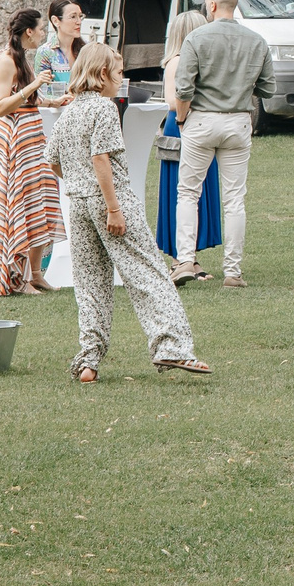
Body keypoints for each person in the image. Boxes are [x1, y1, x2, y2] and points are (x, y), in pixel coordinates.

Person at [48, 44, 210, 382]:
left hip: (78, 203)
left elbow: (52, 161)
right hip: (111, 200)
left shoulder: (69, 112)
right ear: (103, 74)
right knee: (148, 271)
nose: (123, 79)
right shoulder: (104, 109)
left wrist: (79, 185)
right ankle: (172, 347)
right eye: (119, 72)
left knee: (90, 282)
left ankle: (89, 358)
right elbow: (100, 159)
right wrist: (113, 207)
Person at [173, 0, 274, 288]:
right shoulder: (257, 41)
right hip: (238, 122)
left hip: (201, 120)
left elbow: (183, 88)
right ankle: (233, 270)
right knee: (234, 199)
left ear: (213, 6)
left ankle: (185, 260)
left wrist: (181, 117)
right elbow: (269, 88)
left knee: (189, 192)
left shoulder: (196, 38)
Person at [0, 8, 63, 296]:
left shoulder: (21, 58)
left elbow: (28, 100)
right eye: (41, 29)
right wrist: (36, 85)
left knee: (42, 198)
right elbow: (1, 107)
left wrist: (53, 101)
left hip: (33, 136)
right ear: (29, 31)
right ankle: (17, 276)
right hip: (14, 139)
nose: (43, 34)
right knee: (20, 203)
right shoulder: (5, 61)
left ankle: (36, 274)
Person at [156, 8, 220, 264]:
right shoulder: (178, 61)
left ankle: (191, 255)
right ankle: (181, 257)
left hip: (199, 126)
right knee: (182, 189)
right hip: (181, 127)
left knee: (198, 191)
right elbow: (173, 101)